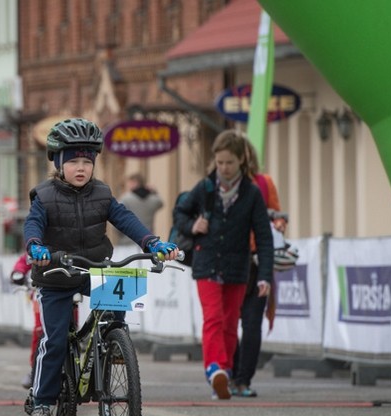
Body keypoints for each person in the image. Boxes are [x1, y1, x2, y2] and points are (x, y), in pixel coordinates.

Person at [23, 118, 179, 416]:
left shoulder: (102, 194)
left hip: (92, 268)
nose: (80, 167)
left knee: (118, 292)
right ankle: (42, 404)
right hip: (55, 272)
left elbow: (126, 219)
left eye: (86, 161)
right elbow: (32, 226)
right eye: (73, 161)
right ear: (58, 162)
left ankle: (114, 344)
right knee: (53, 341)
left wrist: (152, 243)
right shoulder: (44, 195)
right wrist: (36, 247)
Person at [173, 130, 273, 400]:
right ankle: (215, 368)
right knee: (214, 318)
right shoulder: (205, 187)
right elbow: (180, 212)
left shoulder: (251, 193)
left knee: (230, 323)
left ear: (241, 160)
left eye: (229, 162)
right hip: (206, 263)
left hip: (237, 268)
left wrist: (265, 276)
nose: (224, 168)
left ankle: (225, 374)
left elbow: (264, 237)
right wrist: (193, 225)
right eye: (220, 162)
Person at [232, 145, 288, 398]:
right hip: (232, 262)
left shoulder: (265, 184)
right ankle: (230, 375)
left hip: (258, 261)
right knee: (229, 323)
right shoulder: (222, 186)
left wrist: (279, 223)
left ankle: (244, 380)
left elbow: (277, 213)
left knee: (253, 323)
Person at [9, 253, 43, 388]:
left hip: (70, 288)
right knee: (40, 330)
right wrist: (18, 272)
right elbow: (24, 261)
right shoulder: (39, 244)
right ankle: (35, 369)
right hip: (42, 292)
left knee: (73, 330)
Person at [117, 173, 164, 244]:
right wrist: (154, 191)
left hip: (128, 240)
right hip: (147, 240)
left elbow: (117, 216)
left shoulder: (126, 198)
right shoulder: (153, 199)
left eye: (130, 183)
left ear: (135, 182)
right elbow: (160, 203)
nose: (128, 185)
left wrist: (120, 234)